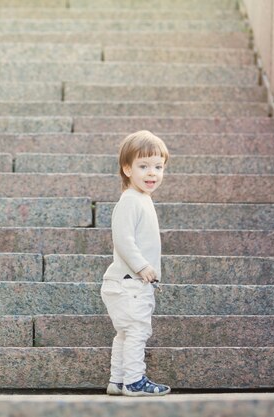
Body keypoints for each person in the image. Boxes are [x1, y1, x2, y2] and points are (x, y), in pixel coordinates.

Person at [100, 130, 171, 397]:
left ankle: (117, 380)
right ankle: (134, 380)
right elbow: (123, 239)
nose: (152, 173)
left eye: (158, 166)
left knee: (126, 333)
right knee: (137, 330)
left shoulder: (142, 199)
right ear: (127, 168)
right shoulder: (130, 200)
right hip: (129, 283)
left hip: (127, 284)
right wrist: (142, 266)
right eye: (143, 166)